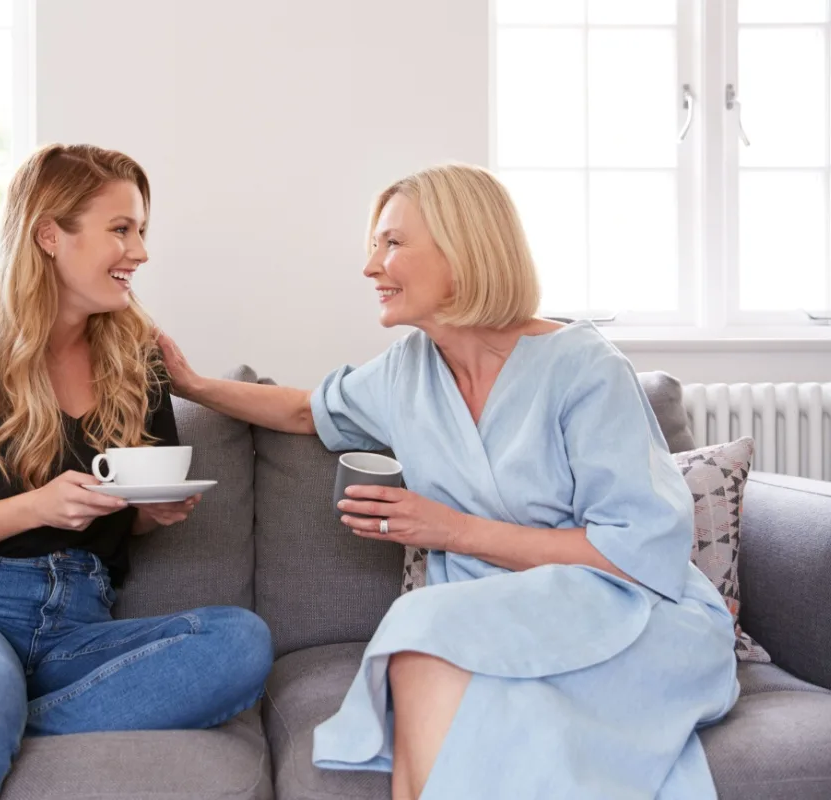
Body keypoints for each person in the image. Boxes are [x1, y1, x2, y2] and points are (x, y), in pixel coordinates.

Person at [157, 163, 738, 799]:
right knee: (424, 635)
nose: (371, 265)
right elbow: (304, 409)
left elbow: (635, 554)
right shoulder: (408, 370)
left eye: (393, 243)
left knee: (422, 627)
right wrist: (191, 384)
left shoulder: (583, 367)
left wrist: (450, 530)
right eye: (373, 245)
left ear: (463, 251)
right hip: (492, 616)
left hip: (629, 611)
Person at [0, 143, 274, 800]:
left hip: (77, 626)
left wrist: (148, 513)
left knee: (240, 641)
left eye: (141, 230)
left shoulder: (134, 364)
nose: (140, 252)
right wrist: (36, 506)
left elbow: (126, 523)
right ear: (49, 235)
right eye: (121, 229)